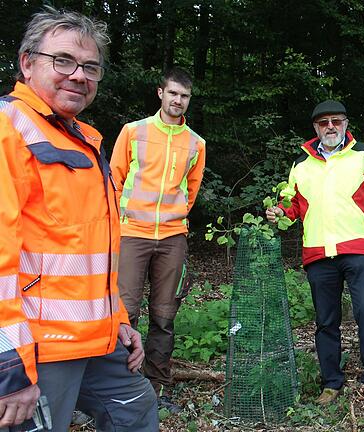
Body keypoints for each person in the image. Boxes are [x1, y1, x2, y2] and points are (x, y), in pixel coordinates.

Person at [0, 7, 158, 431]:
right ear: (27, 63)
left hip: (97, 339)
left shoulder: (84, 138)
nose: (78, 75)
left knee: (135, 410)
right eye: (63, 61)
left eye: (90, 66)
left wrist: (120, 320)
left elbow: (86, 251)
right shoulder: (8, 129)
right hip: (37, 348)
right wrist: (8, 367)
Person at [266, 100, 364, 407]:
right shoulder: (301, 164)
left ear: (346, 124)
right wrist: (279, 213)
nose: (330, 127)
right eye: (324, 123)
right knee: (326, 321)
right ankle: (331, 383)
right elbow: (293, 205)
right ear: (315, 128)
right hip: (318, 252)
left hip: (359, 247)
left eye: (336, 121)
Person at [110, 67, 206, 413]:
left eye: (185, 96)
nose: (178, 100)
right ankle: (117, 388)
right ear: (160, 93)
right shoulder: (133, 132)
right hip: (131, 234)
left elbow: (191, 191)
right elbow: (114, 179)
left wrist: (174, 218)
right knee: (125, 313)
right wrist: (120, 223)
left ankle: (157, 388)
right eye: (173, 93)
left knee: (165, 316)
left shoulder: (196, 143)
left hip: (171, 237)